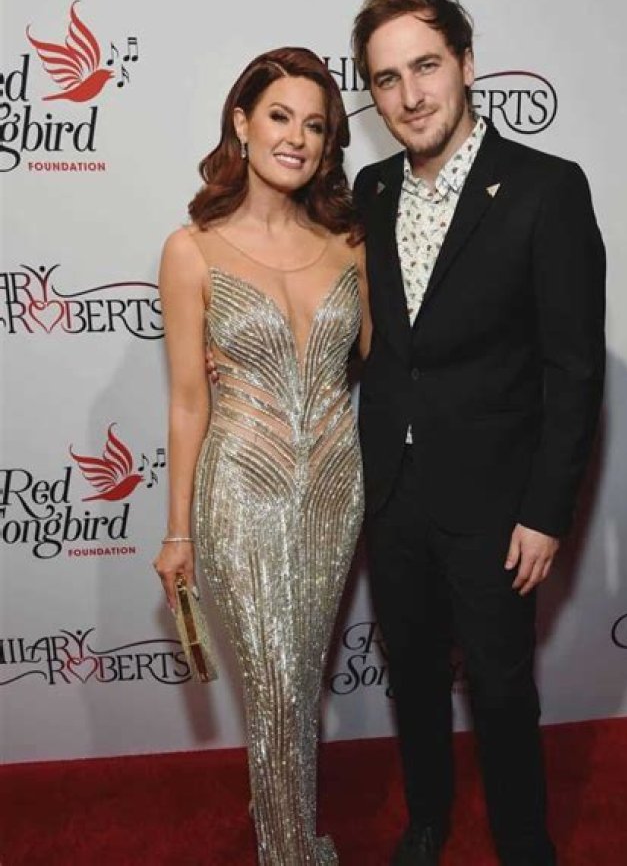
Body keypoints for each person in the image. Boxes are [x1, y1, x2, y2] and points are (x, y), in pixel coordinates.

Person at [351, 0, 605, 866]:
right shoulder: (371, 188)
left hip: (498, 504)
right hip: (392, 491)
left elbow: (574, 369)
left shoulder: (546, 188)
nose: (410, 95)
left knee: (499, 686)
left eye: (426, 66)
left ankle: (523, 839)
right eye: (387, 78)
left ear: (465, 64)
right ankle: (427, 817)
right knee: (415, 674)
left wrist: (546, 511)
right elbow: (373, 338)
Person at [152, 46, 370, 865]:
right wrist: (178, 532)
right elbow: (187, 399)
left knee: (299, 679)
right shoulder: (192, 249)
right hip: (242, 487)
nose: (296, 138)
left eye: (315, 125)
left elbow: (388, 363)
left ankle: (285, 822)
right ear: (242, 124)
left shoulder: (350, 243)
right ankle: (292, 851)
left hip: (335, 487)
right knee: (277, 681)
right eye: (280, 116)